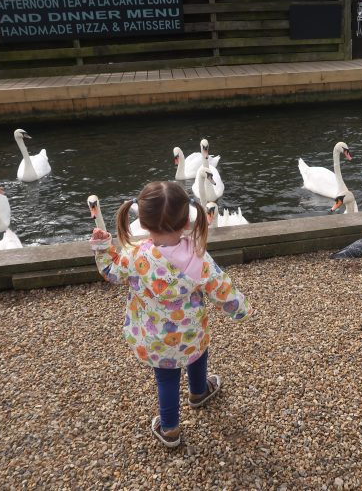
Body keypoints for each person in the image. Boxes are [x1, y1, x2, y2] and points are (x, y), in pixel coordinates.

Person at [90, 181, 253, 448]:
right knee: (198, 356)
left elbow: (111, 273)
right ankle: (199, 391)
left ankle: (170, 430)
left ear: (143, 222)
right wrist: (241, 309)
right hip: (192, 333)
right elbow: (220, 286)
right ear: (186, 220)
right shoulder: (198, 255)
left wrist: (103, 247)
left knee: (166, 380)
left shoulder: (135, 256)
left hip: (156, 340)